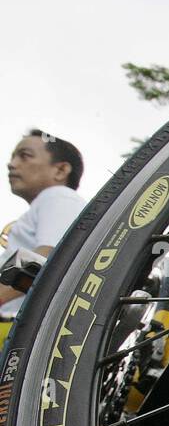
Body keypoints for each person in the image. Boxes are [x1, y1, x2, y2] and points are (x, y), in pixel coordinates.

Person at [1, 130, 87, 312]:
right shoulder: (49, 203)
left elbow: (48, 259)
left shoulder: (59, 196)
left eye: (25, 156)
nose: (11, 164)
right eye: (13, 157)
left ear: (60, 170)